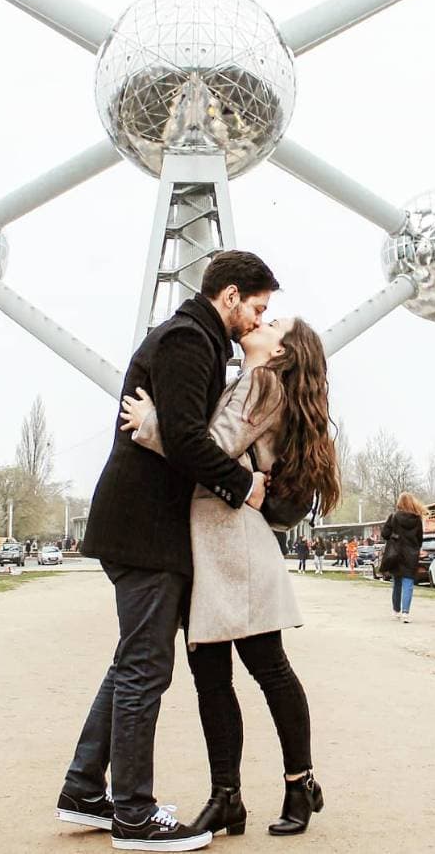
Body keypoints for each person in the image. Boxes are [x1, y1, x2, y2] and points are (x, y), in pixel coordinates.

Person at [57, 251, 277, 852]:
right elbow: (187, 440)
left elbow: (177, 432)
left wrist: (164, 427)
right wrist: (244, 485)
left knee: (131, 663)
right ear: (229, 296)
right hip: (147, 529)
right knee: (145, 671)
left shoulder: (195, 339)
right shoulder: (189, 339)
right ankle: (133, 814)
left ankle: (83, 789)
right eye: (257, 308)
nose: (259, 322)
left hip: (141, 526)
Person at [123, 316, 340, 838]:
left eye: (272, 323)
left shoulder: (263, 382)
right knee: (217, 679)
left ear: (283, 349)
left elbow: (212, 449)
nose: (259, 322)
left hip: (234, 545)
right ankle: (228, 798)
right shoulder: (246, 381)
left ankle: (294, 783)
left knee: (263, 668)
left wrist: (153, 423)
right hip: (214, 540)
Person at [381, 494, 426, 623]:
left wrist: (394, 535)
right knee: (408, 583)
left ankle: (396, 610)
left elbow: (385, 534)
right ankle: (406, 613)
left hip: (396, 553)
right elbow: (420, 538)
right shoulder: (417, 519)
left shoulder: (394, 517)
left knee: (397, 582)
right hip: (411, 554)